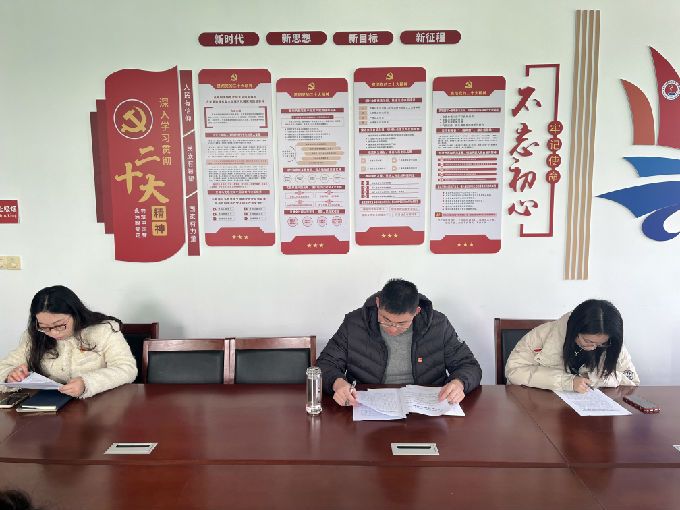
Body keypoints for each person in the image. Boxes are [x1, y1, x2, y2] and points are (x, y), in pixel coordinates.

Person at [317, 279, 482, 407]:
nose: (392, 329)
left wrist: (459, 383)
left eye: (402, 323)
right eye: (385, 319)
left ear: (416, 312)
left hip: (426, 408)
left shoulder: (438, 325)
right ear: (378, 304)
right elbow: (325, 364)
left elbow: (469, 366)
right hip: (367, 405)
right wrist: (337, 383)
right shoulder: (354, 323)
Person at [0, 285, 137, 398]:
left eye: (59, 325)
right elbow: (5, 366)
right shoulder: (36, 335)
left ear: (75, 314)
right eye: (44, 327)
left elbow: (126, 368)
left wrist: (87, 383)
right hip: (50, 408)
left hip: (100, 405)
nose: (53, 333)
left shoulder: (103, 330)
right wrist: (10, 376)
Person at [505, 299, 639, 392]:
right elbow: (514, 371)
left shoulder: (611, 343)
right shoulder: (541, 335)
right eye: (588, 341)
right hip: (542, 406)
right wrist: (567, 382)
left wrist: (594, 378)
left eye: (601, 343)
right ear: (574, 330)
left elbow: (631, 379)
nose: (593, 347)